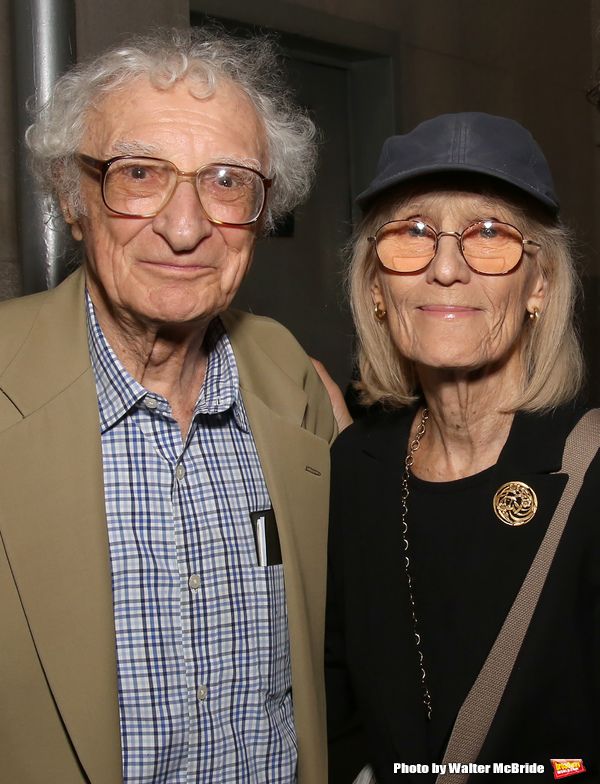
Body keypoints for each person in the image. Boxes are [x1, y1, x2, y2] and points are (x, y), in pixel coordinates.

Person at [0, 27, 336, 784]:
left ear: (262, 208)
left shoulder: (290, 379)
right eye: (140, 173)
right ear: (71, 194)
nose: (186, 229)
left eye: (226, 181)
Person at [325, 112, 599, 783]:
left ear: (539, 285)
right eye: (412, 233)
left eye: (490, 233)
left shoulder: (588, 473)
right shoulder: (356, 466)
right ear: (377, 288)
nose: (446, 268)